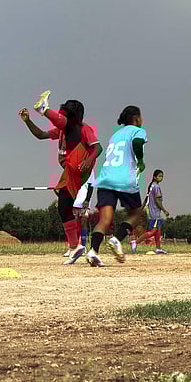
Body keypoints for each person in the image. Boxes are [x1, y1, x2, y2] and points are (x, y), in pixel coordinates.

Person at [19, 95, 102, 262]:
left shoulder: (83, 128)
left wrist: (89, 159)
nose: (63, 119)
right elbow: (41, 135)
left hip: (79, 165)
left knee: (64, 205)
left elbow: (98, 148)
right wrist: (27, 121)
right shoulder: (63, 130)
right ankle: (74, 246)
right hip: (70, 169)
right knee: (64, 206)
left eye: (65, 114)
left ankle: (44, 109)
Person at [81, 105, 147, 267]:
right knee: (136, 213)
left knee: (105, 219)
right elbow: (138, 144)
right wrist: (140, 161)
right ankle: (116, 239)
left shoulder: (115, 135)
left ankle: (93, 252)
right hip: (124, 179)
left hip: (105, 178)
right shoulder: (138, 131)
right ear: (136, 118)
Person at [143, 170, 171, 254]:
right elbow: (157, 200)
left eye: (162, 176)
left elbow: (147, 198)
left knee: (158, 230)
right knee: (153, 231)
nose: (161, 178)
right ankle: (135, 242)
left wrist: (142, 207)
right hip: (154, 211)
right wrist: (164, 210)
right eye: (159, 176)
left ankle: (158, 248)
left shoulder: (151, 186)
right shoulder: (156, 187)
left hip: (152, 211)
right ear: (154, 177)